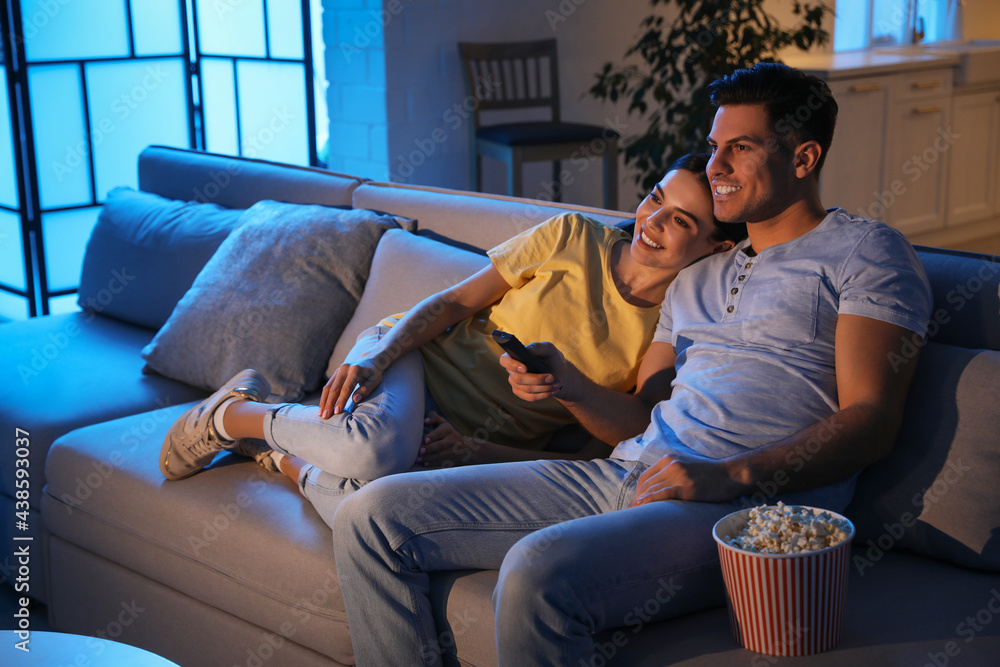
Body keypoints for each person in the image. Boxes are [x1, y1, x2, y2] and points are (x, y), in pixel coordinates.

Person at [330, 62, 934, 666]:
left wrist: (730, 475)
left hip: (740, 511)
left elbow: (872, 420)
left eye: (741, 148)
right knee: (371, 518)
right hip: (624, 473)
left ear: (803, 158)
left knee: (536, 574)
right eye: (714, 147)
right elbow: (642, 415)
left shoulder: (866, 252)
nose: (717, 166)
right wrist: (568, 385)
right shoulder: (696, 276)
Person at [158, 154, 746, 528]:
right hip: (412, 361)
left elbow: (620, 438)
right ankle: (232, 414)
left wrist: (478, 447)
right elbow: (455, 302)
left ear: (718, 247)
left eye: (682, 220)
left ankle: (282, 456)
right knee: (371, 451)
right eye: (656, 198)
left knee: (365, 514)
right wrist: (379, 355)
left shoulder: (676, 320)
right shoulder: (573, 236)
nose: (653, 221)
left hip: (453, 440)